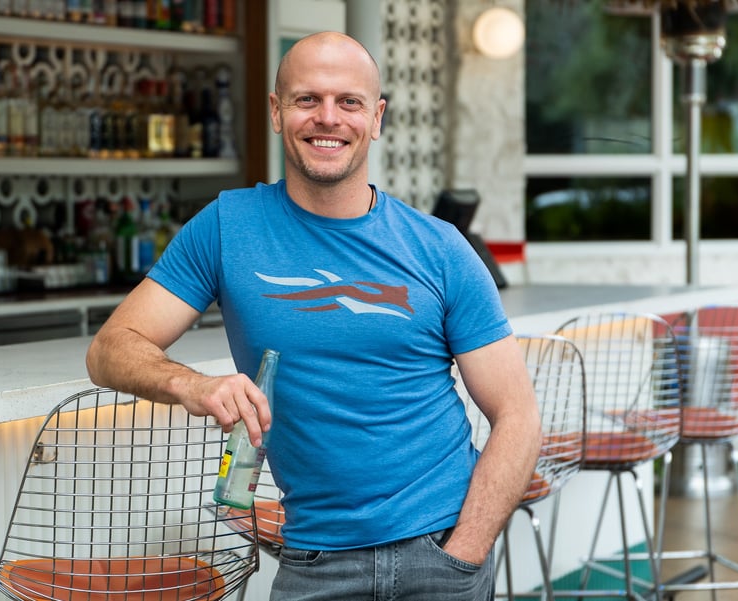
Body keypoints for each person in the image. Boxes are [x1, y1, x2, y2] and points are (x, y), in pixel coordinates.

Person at [86, 31, 541, 600]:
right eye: (307, 99)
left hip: (441, 548)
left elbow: (517, 414)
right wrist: (192, 385)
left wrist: (463, 553)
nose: (328, 118)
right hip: (314, 557)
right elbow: (109, 348)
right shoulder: (227, 227)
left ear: (376, 118)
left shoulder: (441, 248)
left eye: (349, 101)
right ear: (277, 112)